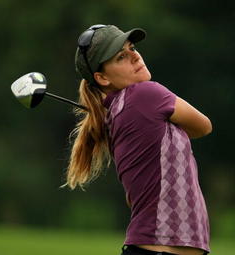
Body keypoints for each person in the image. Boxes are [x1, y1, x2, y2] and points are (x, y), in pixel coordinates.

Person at [66, 24, 212, 255]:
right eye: (121, 56)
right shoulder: (146, 94)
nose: (134, 56)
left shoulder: (116, 113)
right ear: (102, 77)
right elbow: (203, 126)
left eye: (132, 48)